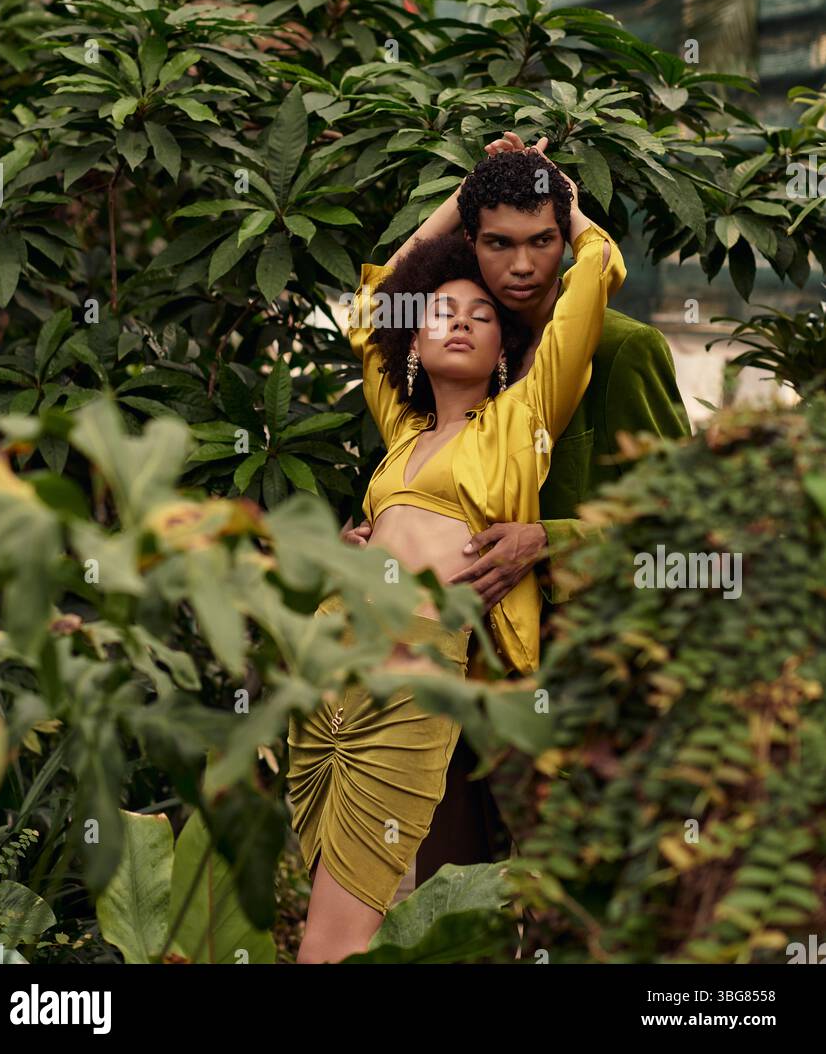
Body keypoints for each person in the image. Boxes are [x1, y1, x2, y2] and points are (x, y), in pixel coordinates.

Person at [286, 151, 625, 963]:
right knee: (330, 920)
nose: (463, 320)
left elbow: (597, 269)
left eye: (479, 315)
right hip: (332, 678)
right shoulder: (402, 438)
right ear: (414, 344)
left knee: (334, 935)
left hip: (414, 679)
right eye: (442, 312)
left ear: (504, 352)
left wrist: (558, 196)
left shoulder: (517, 419)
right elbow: (372, 302)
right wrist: (465, 196)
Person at [348, 133, 692, 881]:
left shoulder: (621, 351)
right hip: (439, 682)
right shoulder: (456, 357)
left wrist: (550, 541)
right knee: (448, 907)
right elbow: (380, 307)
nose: (526, 265)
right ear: (472, 243)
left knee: (571, 901)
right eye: (499, 244)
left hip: (571, 684)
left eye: (543, 241)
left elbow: (688, 526)